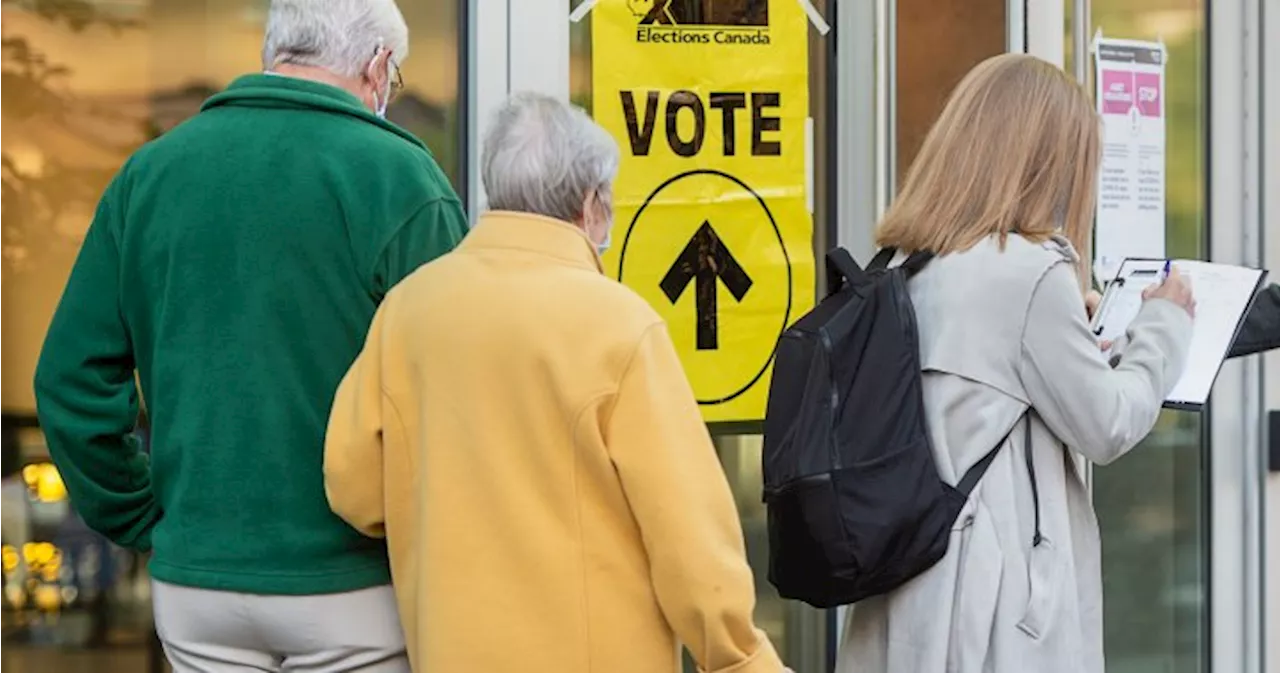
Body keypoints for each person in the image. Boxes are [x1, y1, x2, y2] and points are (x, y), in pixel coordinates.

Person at [32, 0, 468, 669]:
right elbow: (459, 391)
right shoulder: (401, 179)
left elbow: (71, 377)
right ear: (378, 67)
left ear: (275, 51)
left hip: (196, 579)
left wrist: (141, 514)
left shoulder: (151, 174)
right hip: (352, 581)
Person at [324, 92, 787, 673]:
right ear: (592, 204)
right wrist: (741, 658)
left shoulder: (408, 311)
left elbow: (354, 488)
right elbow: (689, 537)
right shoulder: (618, 324)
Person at [835, 54, 1194, 673]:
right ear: (1050, 164)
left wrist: (1070, 334)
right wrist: (1165, 325)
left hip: (906, 593)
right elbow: (1107, 424)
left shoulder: (902, 264)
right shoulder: (1028, 271)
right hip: (995, 609)